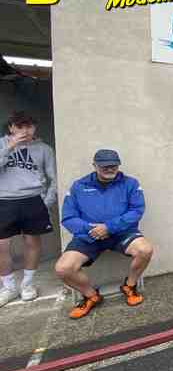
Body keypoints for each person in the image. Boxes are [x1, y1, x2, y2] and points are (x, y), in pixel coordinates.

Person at [55, 149, 154, 319]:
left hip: (121, 233)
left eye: (114, 165)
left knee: (145, 250)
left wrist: (108, 227)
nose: (110, 169)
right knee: (63, 269)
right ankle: (91, 296)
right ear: (94, 165)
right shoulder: (79, 186)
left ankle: (129, 286)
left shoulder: (130, 183)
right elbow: (68, 217)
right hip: (89, 236)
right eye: (105, 166)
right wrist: (91, 229)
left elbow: (136, 211)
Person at [0, 111, 57, 307]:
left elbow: (53, 177)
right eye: (20, 126)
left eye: (29, 126)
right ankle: (8, 286)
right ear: (11, 127)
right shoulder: (2, 144)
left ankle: (28, 284)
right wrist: (10, 147)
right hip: (4, 199)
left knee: (32, 242)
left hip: (33, 199)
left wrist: (47, 201)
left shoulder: (43, 149)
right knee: (1, 245)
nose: (25, 130)